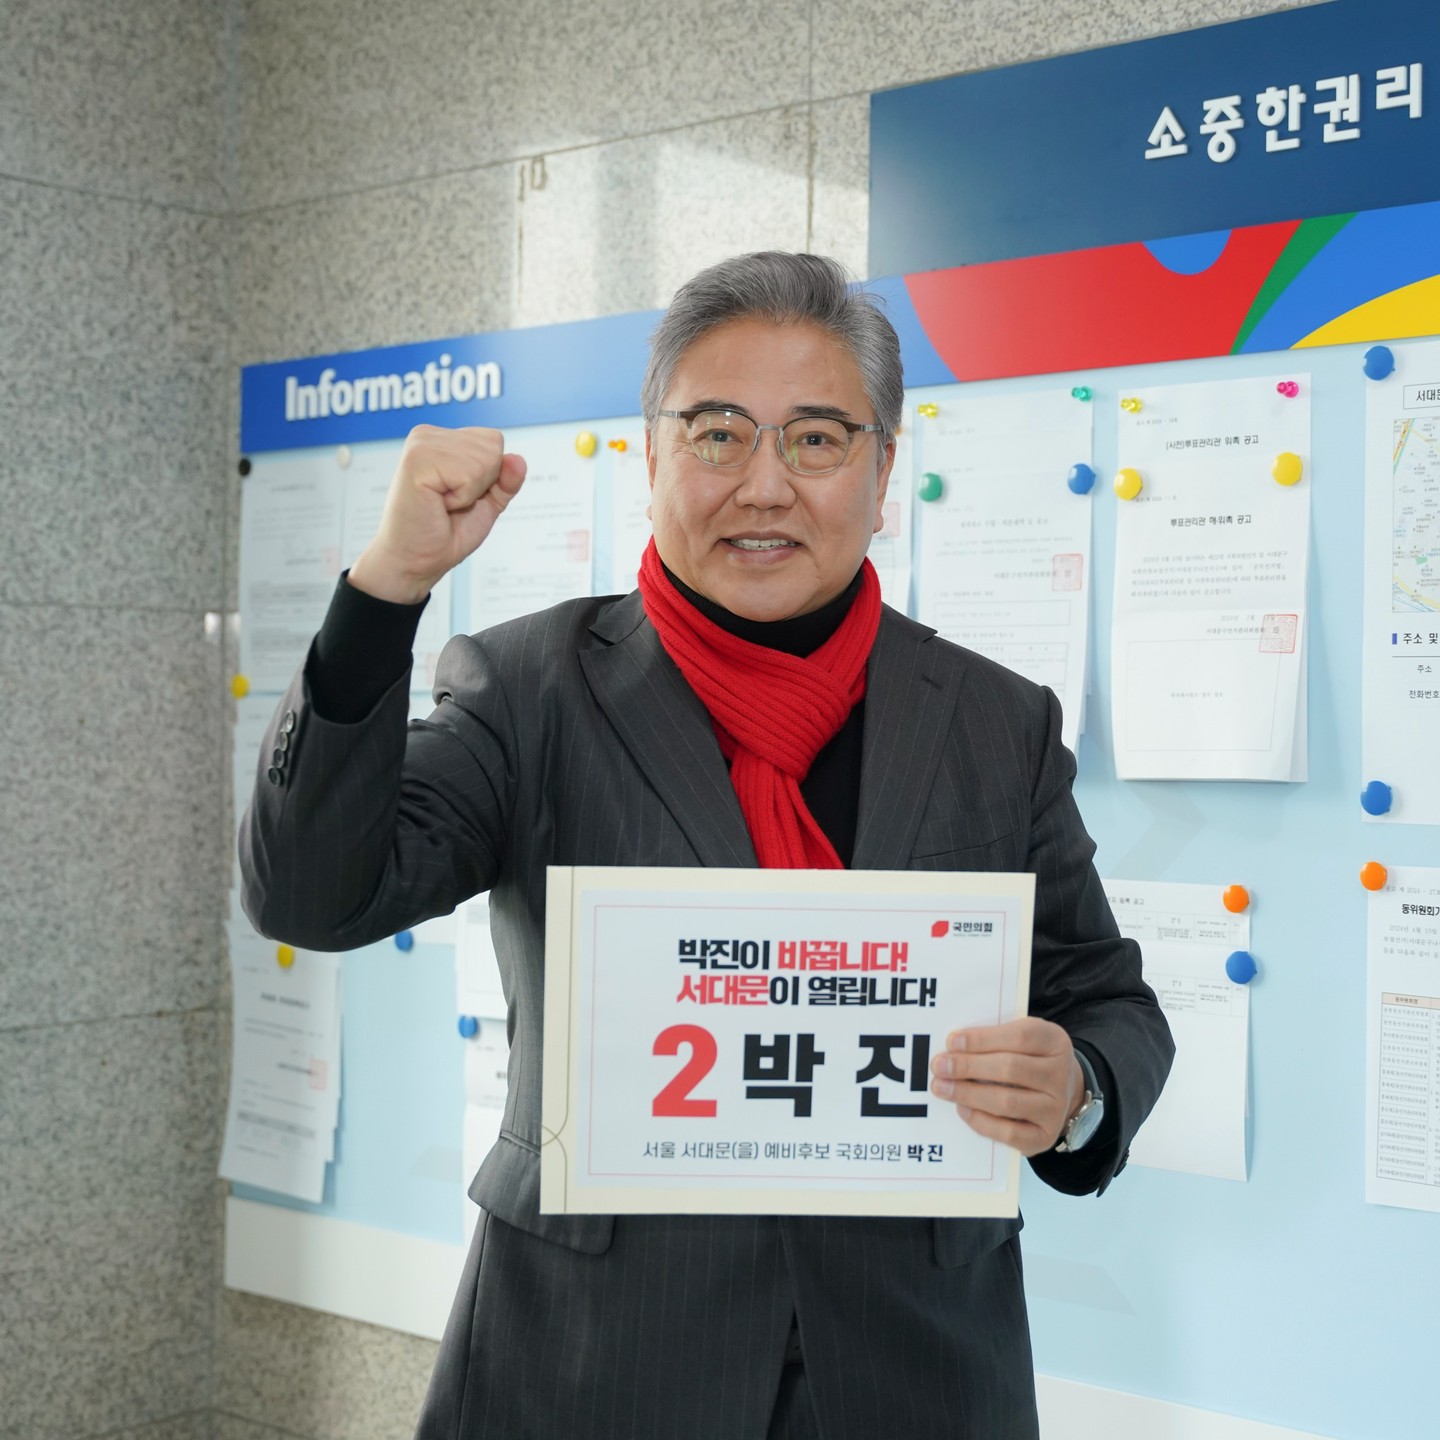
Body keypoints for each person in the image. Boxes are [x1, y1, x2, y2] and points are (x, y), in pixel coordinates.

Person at [241, 251, 1173, 1440]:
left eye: (817, 439)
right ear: (652, 457)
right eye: (719, 434)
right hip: (590, 1369)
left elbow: (1108, 1000)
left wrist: (1079, 1087)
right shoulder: (531, 690)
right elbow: (312, 896)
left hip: (914, 1374)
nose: (765, 486)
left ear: (884, 469)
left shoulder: (995, 720)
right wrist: (388, 589)